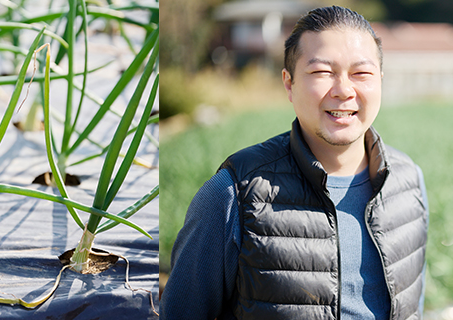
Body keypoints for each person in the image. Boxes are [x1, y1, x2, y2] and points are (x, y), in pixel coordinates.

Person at [161, 6, 429, 320]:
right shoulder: (234, 193)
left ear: (379, 81)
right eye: (321, 72)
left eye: (361, 73)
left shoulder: (407, 182)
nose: (344, 90)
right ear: (289, 83)